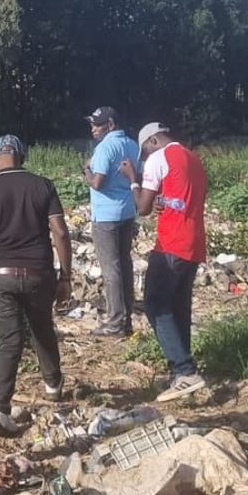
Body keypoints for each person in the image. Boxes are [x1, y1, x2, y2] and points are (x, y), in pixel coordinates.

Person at [0, 135, 72, 438]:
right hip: (38, 272)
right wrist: (65, 276)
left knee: (10, 339)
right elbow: (61, 233)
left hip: (0, 274)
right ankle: (53, 385)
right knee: (42, 326)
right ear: (22, 157)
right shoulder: (43, 186)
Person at [124, 122, 208, 400]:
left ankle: (184, 371)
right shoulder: (192, 158)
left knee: (156, 305)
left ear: (152, 141)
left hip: (172, 243)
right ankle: (182, 372)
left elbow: (143, 208)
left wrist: (133, 180)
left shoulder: (158, 158)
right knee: (179, 307)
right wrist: (164, 199)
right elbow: (183, 198)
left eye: (145, 151)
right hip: (194, 242)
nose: (146, 156)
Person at [84, 106, 140, 336]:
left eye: (97, 125)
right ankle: (127, 320)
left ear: (110, 125)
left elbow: (98, 183)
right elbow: (137, 174)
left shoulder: (105, 147)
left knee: (111, 269)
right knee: (125, 264)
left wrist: (86, 171)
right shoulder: (131, 145)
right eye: (92, 124)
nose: (93, 129)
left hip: (106, 216)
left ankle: (115, 322)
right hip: (126, 212)